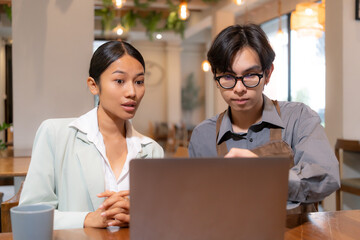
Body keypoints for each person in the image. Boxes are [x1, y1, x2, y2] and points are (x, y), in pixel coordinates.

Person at [188, 24, 340, 213]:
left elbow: (327, 177)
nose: (239, 88)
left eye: (250, 75)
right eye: (227, 76)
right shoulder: (203, 135)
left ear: (267, 74)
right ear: (216, 77)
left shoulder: (298, 118)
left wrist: (266, 174)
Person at [19, 41, 164, 229]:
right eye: (119, 81)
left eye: (139, 82)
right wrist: (87, 219)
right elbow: (31, 213)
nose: (132, 92)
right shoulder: (54, 135)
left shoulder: (152, 151)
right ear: (93, 85)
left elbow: (163, 219)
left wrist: (139, 215)